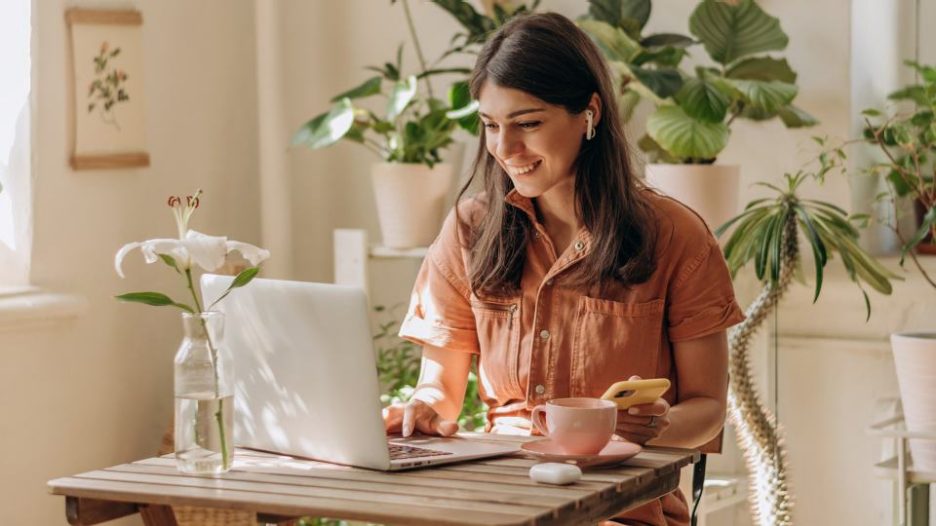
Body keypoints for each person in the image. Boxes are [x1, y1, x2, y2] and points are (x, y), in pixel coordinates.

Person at [382, 12, 744, 526]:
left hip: (622, 507)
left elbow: (708, 405)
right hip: (495, 498)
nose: (505, 149)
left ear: (589, 114)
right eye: (490, 125)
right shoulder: (471, 228)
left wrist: (650, 428)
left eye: (528, 123)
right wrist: (421, 409)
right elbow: (439, 389)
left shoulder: (675, 235)